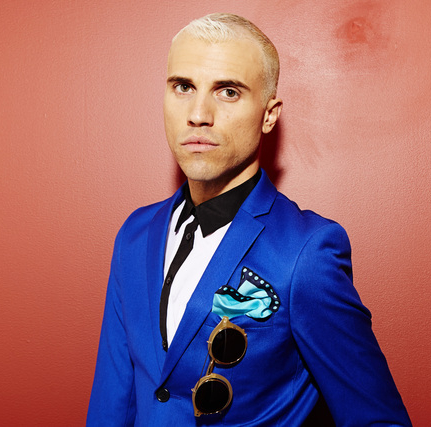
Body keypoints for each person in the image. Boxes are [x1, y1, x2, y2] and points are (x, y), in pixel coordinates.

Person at [87, 13, 412, 426]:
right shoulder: (135, 234)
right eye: (183, 87)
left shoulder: (306, 253)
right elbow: (112, 405)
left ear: (269, 114)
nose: (198, 114)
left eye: (227, 91)